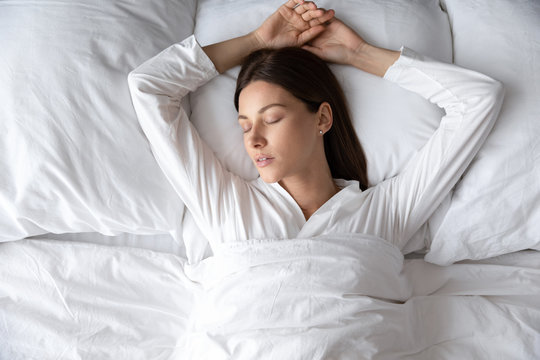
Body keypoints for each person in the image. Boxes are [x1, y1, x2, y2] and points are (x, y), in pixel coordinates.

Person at [127, 0, 504, 252]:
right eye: (244, 127)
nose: (254, 140)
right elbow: (148, 88)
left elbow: (479, 98)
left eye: (271, 118)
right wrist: (256, 41)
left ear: (322, 118)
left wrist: (360, 54)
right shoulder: (227, 205)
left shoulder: (385, 213)